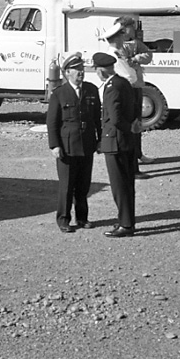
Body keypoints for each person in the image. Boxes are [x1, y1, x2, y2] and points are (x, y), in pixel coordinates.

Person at [46, 53, 102, 232]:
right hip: (67, 147)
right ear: (67, 72)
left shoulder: (91, 90)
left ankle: (82, 218)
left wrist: (100, 140)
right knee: (66, 186)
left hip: (86, 144)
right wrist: (54, 145)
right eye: (77, 70)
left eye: (82, 69)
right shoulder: (59, 94)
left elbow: (97, 119)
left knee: (84, 185)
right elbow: (52, 122)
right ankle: (63, 219)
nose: (81, 73)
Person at [93, 51, 136, 238]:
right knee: (127, 183)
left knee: (119, 185)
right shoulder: (123, 82)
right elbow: (134, 106)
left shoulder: (111, 87)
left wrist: (127, 128)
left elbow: (115, 117)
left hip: (115, 140)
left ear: (101, 71)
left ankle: (125, 224)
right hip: (126, 140)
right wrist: (133, 128)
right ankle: (127, 220)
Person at [103, 17, 153, 174]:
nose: (133, 31)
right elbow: (127, 74)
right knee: (129, 125)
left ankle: (136, 156)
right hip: (127, 89)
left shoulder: (135, 43)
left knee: (136, 122)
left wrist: (137, 59)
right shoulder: (116, 52)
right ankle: (132, 165)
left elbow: (148, 55)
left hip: (135, 87)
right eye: (130, 28)